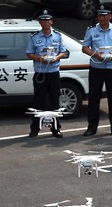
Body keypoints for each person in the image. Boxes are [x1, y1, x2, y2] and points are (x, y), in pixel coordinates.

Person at [81, 4, 112, 137]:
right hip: (97, 68)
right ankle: (92, 127)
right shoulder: (91, 30)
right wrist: (96, 54)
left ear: (110, 16)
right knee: (94, 99)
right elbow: (85, 48)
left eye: (105, 15)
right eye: (100, 15)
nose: (102, 17)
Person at [26, 8, 66, 138]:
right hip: (40, 73)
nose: (45, 22)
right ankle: (35, 128)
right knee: (38, 102)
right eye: (43, 20)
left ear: (51, 22)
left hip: (54, 72)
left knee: (55, 101)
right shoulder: (34, 37)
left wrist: (56, 57)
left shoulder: (58, 36)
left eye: (48, 20)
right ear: (40, 22)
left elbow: (63, 52)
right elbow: (29, 54)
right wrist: (40, 59)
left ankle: (56, 128)